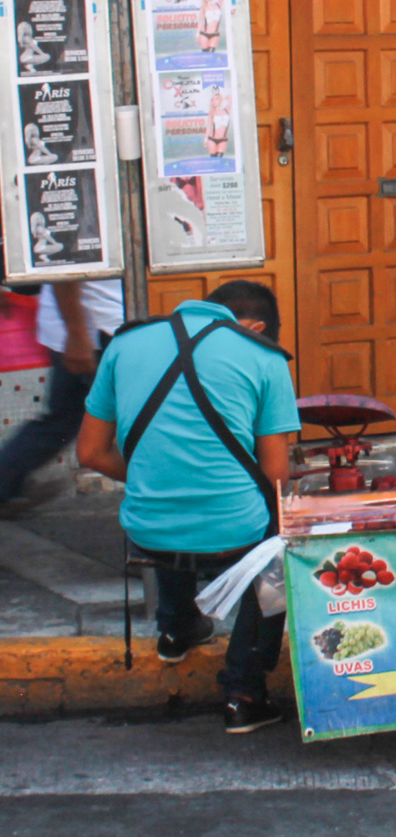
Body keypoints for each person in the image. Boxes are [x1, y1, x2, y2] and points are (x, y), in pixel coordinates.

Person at [77, 280, 299, 734]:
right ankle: (244, 694)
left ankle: (176, 629)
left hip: (148, 529)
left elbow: (91, 454)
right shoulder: (263, 356)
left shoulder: (126, 344)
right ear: (256, 326)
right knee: (278, 537)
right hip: (233, 530)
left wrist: (147, 476)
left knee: (172, 495)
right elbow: (277, 477)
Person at [0, 279, 123, 507]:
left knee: (61, 420)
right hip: (95, 331)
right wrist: (76, 335)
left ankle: (5, 483)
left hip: (93, 329)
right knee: (65, 420)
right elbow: (66, 271)